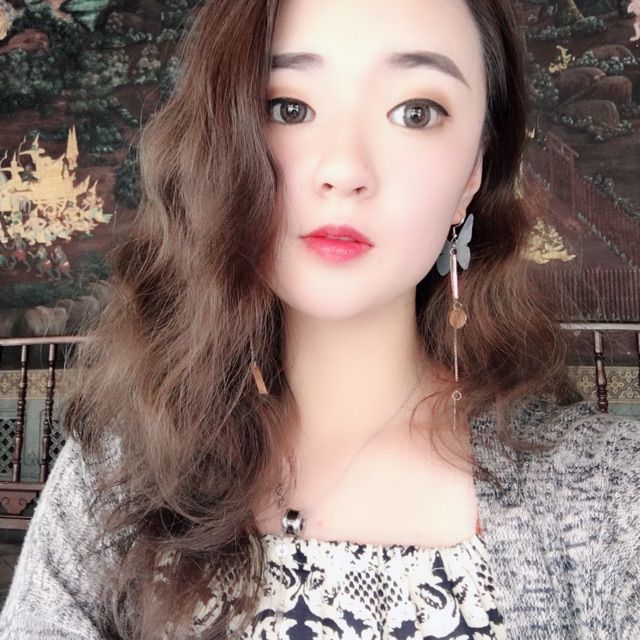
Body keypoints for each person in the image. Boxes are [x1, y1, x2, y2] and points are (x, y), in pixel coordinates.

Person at [1, 0, 639, 638]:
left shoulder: (611, 497)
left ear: (474, 170)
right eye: (289, 108)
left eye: (416, 112)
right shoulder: (117, 473)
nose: (344, 171)